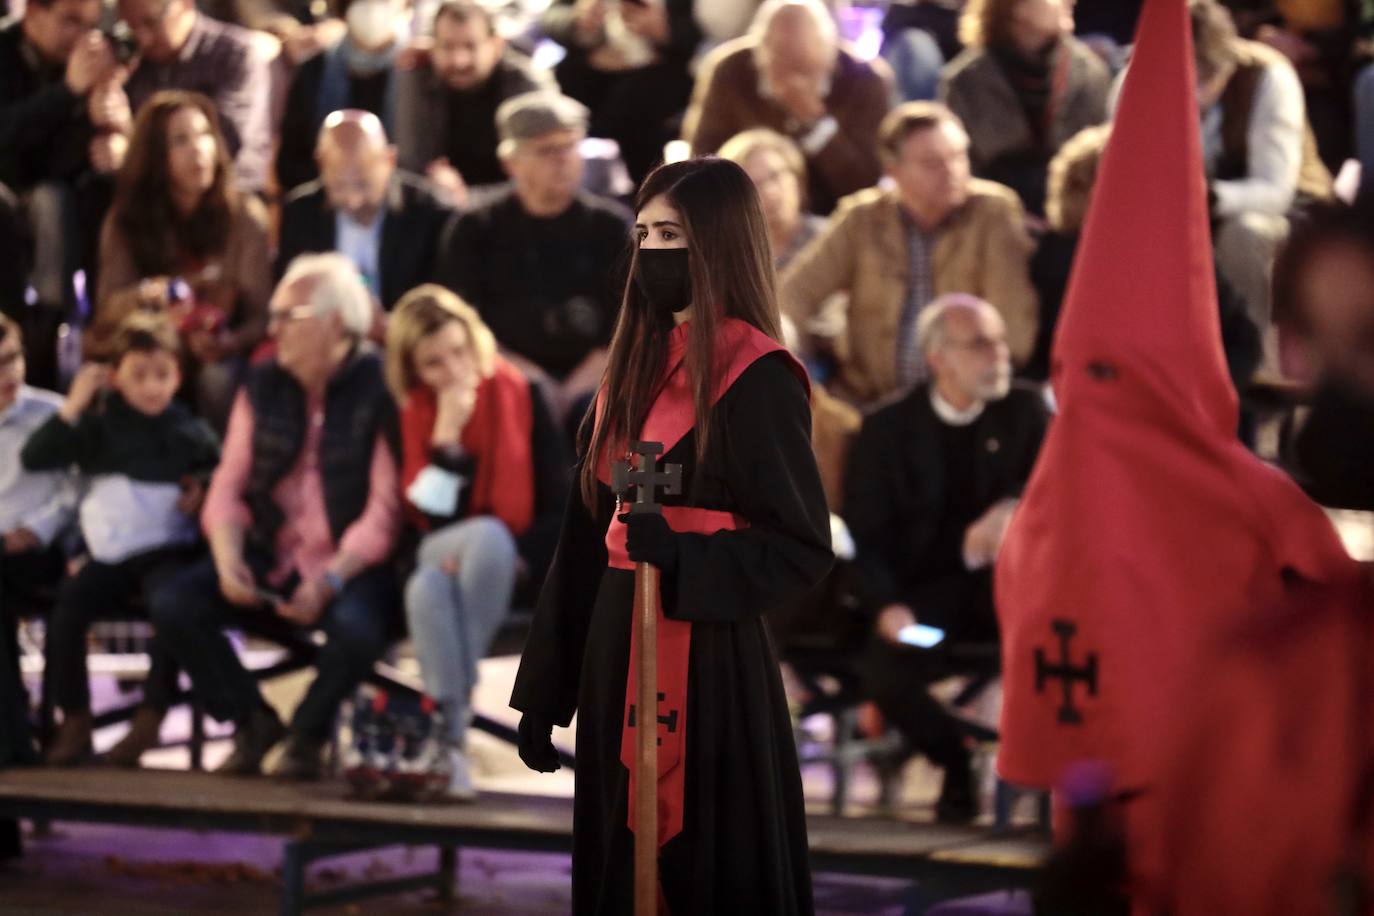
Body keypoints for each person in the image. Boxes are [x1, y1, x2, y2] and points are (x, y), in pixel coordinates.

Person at [510, 157, 833, 913]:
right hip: (615, 646)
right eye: (644, 233)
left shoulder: (757, 377)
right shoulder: (630, 368)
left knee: (702, 872)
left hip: (710, 663)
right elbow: (584, 540)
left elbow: (801, 545)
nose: (653, 253)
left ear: (716, 246)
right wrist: (546, 691)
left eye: (673, 236)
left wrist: (684, 555)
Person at [147, 253, 403, 780]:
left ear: (335, 323)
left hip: (348, 565)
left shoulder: (380, 385)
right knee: (175, 603)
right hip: (273, 554)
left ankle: (305, 738)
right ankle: (251, 721)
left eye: (290, 316)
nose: (273, 329)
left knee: (359, 631)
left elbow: (384, 510)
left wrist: (331, 581)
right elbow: (228, 486)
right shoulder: (263, 382)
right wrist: (228, 560)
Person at [845, 294, 1048, 822]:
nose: (999, 354)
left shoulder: (1026, 412)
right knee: (882, 667)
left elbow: (1067, 483)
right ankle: (955, 763)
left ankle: (1053, 782)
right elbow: (866, 535)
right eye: (980, 343)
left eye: (1000, 340)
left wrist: (1013, 505)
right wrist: (886, 604)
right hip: (927, 595)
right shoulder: (887, 429)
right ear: (939, 358)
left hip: (1013, 592)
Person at [386, 284, 567, 799]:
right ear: (413, 369)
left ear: (476, 339)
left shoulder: (523, 394)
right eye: (434, 362)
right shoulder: (410, 410)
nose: (455, 370)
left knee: (429, 591)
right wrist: (447, 439)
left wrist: (520, 561)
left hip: (503, 568)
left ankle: (448, 743)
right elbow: (428, 519)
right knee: (480, 538)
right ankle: (458, 712)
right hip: (434, 547)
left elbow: (561, 508)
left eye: (460, 350)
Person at [21, 314, 219, 766]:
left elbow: (220, 468)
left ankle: (151, 716)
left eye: (162, 375)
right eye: (139, 375)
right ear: (115, 377)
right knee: (68, 607)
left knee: (172, 604)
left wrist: (203, 484)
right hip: (109, 556)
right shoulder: (96, 428)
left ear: (178, 376)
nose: (152, 387)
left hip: (166, 551)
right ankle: (74, 718)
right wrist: (74, 405)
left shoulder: (188, 429)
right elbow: (37, 456)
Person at [781, 101, 1039, 406]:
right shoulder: (862, 217)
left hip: (963, 403)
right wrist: (790, 364)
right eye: (933, 163)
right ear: (894, 171)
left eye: (958, 157)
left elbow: (1014, 329)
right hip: (867, 400)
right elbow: (791, 296)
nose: (952, 172)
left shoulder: (993, 212)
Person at [435, 91, 632, 427]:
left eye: (570, 146)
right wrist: (531, 383)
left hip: (599, 382)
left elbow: (632, 321)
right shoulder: (475, 228)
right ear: (511, 162)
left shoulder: (612, 226)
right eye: (546, 150)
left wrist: (576, 389)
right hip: (505, 381)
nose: (563, 160)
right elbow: (463, 322)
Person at [88, 90, 272, 432]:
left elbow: (263, 315)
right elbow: (107, 308)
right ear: (155, 156)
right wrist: (149, 296)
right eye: (180, 141)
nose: (199, 150)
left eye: (204, 136)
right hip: (148, 347)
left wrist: (228, 342)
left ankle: (214, 474)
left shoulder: (245, 216)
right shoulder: (126, 220)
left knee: (218, 378)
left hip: (220, 351)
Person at [1, 0, 131, 387]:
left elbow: (71, 161)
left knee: (76, 202)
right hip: (9, 201)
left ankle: (94, 344)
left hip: (70, 202)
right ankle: (32, 350)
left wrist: (116, 133)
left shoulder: (95, 61)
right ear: (33, 15)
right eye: (70, 22)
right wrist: (67, 92)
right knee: (46, 204)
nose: (84, 37)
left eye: (90, 25)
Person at [683, 0, 893, 215]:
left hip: (834, 219)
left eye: (802, 66)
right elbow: (701, 163)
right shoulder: (729, 71)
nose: (793, 78)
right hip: (744, 212)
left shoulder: (866, 80)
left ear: (826, 51)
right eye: (782, 59)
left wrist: (815, 121)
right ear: (762, 51)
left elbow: (865, 186)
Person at [939, 0, 1111, 215]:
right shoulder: (965, 82)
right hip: (994, 218)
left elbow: (1101, 161)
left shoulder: (1089, 74)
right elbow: (965, 171)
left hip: (1074, 215)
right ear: (1016, 7)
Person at [277, 109, 452, 312]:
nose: (354, 201)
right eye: (340, 186)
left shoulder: (431, 214)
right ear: (321, 164)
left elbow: (441, 307)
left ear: (389, 160)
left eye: (363, 185)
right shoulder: (300, 215)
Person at [0, 314, 78, 768]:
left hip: (38, 551)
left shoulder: (53, 414)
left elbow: (75, 492)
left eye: (12, 359)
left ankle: (12, 744)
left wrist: (35, 529)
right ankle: (12, 741)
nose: (7, 374)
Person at [393, 0, 548, 205]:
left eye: (470, 46)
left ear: (496, 46)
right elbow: (408, 167)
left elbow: (541, 177)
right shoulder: (419, 79)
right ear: (433, 47)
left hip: (513, 213)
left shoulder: (527, 88)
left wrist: (466, 200)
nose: (459, 60)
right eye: (447, 47)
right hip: (436, 211)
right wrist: (433, 187)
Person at [540, 0, 702, 186]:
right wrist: (577, 20)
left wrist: (664, 29)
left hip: (656, 73)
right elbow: (552, 17)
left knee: (633, 113)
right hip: (585, 70)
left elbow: (699, 33)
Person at [119, 0, 274, 193]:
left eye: (151, 22)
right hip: (155, 203)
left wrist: (132, 154)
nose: (144, 39)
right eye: (131, 28)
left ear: (185, 4)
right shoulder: (133, 65)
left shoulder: (236, 54)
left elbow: (225, 139)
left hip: (230, 197)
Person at [275, 0, 406, 193]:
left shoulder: (420, 71)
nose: (372, 6)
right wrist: (342, 180)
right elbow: (289, 165)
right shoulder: (314, 71)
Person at [718, 127, 827, 270]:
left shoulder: (831, 237)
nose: (770, 191)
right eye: (754, 185)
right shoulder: (728, 264)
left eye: (775, 176)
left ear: (796, 177)